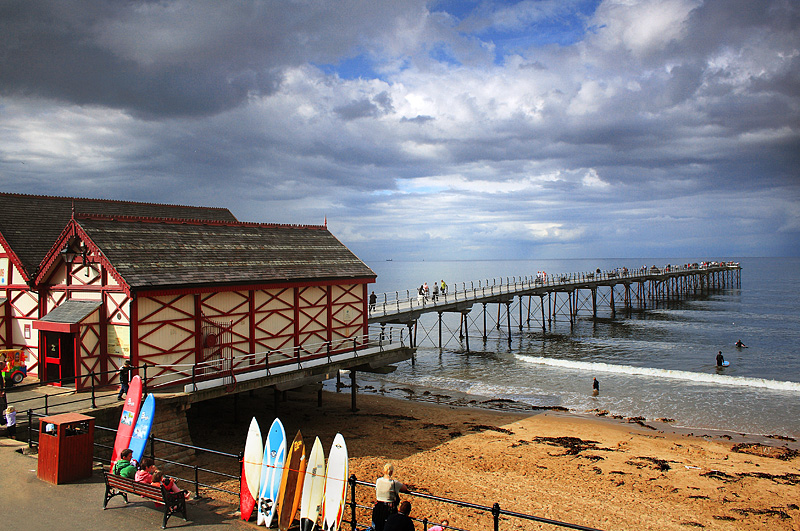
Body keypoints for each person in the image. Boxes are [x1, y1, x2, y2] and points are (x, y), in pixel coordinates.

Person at [372, 463, 409, 531]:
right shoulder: (394, 483)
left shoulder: (378, 480)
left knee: (377, 527)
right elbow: (404, 488)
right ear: (391, 472)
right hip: (389, 509)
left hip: (378, 508)